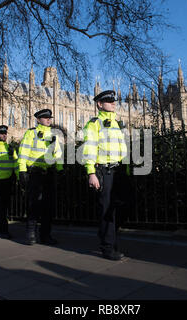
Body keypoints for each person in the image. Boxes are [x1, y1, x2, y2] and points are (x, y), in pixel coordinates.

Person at [82, 90, 130, 261]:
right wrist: (91, 173)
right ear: (99, 104)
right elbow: (89, 150)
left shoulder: (117, 123)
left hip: (119, 172)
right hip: (104, 171)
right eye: (109, 101)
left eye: (113, 101)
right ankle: (108, 246)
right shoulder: (94, 124)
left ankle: (109, 238)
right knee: (106, 210)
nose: (113, 103)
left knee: (121, 208)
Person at [18, 109, 63, 245]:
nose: (49, 120)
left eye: (50, 117)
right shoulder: (31, 133)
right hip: (35, 173)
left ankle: (45, 235)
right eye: (45, 117)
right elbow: (24, 151)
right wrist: (22, 170)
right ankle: (31, 233)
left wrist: (60, 170)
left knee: (48, 206)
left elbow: (58, 154)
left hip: (49, 173)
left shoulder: (54, 134)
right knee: (34, 204)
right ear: (38, 119)